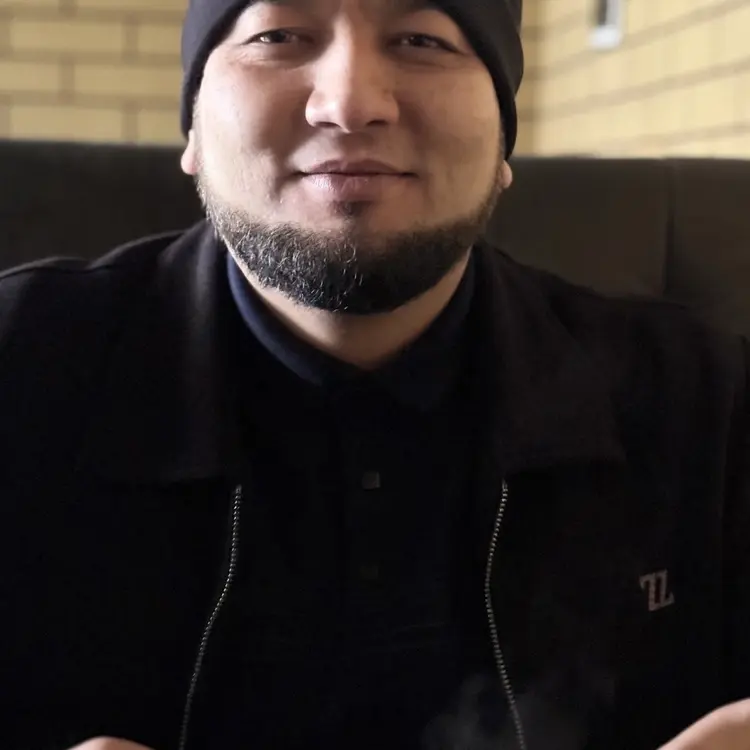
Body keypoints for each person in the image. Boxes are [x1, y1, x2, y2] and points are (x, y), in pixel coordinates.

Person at [0, 0, 748, 748]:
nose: (350, 103)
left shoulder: (706, 404)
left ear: (503, 140)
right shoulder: (21, 370)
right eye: (278, 36)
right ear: (193, 130)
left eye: (422, 39)